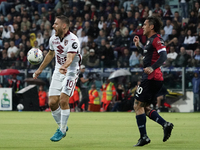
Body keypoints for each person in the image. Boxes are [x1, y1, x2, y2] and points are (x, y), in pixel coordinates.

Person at [33, 15, 81, 142]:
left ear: (63, 26)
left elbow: (70, 58)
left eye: (56, 24)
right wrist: (40, 69)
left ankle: (62, 130)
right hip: (58, 71)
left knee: (63, 100)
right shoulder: (53, 38)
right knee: (52, 102)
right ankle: (62, 126)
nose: (53, 26)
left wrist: (65, 67)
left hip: (71, 72)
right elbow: (50, 54)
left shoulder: (73, 40)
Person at [133, 16, 174, 146]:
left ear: (151, 27)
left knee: (137, 105)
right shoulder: (150, 41)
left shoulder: (156, 39)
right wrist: (139, 46)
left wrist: (152, 67)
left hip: (151, 78)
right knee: (145, 107)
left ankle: (144, 137)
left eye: (145, 24)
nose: (143, 27)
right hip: (153, 78)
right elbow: (149, 55)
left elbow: (163, 56)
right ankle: (165, 124)